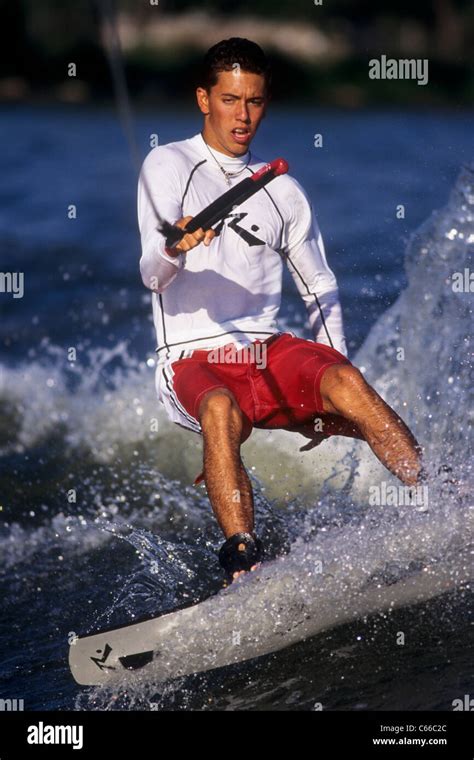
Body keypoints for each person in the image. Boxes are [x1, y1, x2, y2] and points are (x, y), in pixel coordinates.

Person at [138, 37, 424, 585]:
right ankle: (243, 565)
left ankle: (437, 497)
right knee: (219, 408)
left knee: (346, 381)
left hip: (263, 348)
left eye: (254, 101)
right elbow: (152, 274)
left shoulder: (281, 189)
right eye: (229, 100)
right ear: (204, 99)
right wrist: (176, 247)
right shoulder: (168, 164)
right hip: (190, 359)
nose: (243, 115)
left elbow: (319, 284)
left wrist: (331, 378)